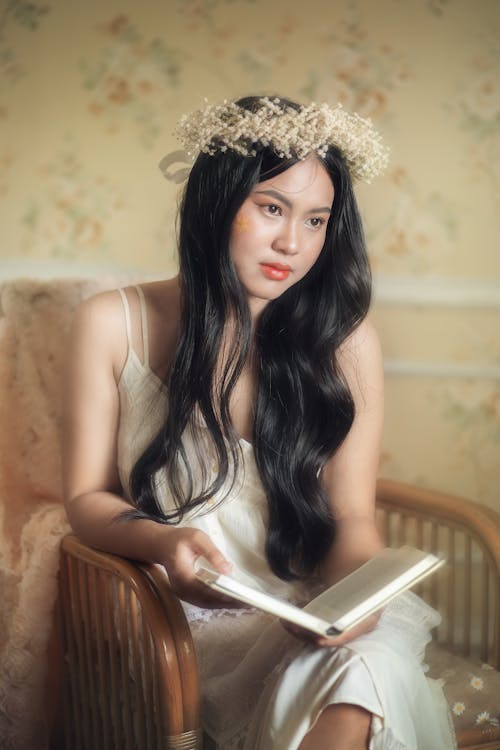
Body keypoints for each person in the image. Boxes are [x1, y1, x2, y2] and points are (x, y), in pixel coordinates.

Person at [62, 95, 456, 749]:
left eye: (316, 219)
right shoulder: (112, 323)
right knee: (365, 679)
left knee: (369, 661)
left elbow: (352, 517)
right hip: (179, 619)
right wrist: (164, 543)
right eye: (271, 208)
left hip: (310, 605)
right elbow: (84, 498)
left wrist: (356, 605)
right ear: (218, 203)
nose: (292, 244)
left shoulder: (345, 341)